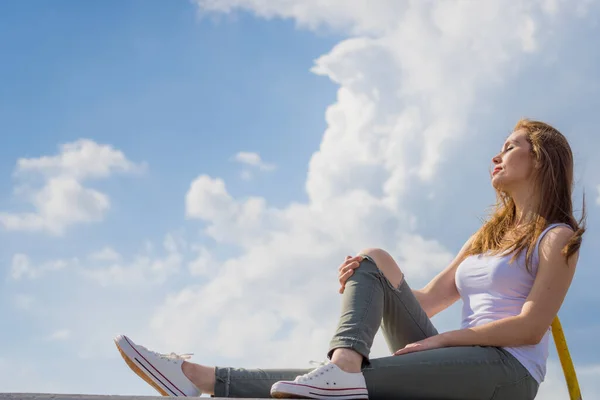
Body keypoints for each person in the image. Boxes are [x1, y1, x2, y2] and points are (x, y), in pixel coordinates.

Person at [114, 119, 585, 400]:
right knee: (374, 258)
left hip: (506, 375)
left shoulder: (557, 237)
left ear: (540, 159)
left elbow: (530, 327)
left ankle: (199, 377)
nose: (496, 155)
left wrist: (445, 344)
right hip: (462, 356)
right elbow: (424, 300)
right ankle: (342, 366)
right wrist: (368, 276)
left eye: (510, 146)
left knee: (363, 379)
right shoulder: (489, 236)